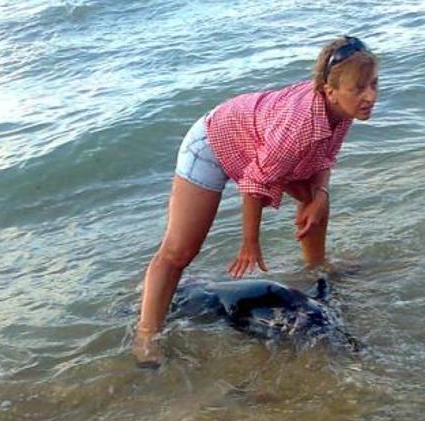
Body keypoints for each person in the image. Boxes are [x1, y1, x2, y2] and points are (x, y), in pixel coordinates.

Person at [133, 36, 378, 367]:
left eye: (374, 84)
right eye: (360, 89)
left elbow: (324, 158)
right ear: (329, 90)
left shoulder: (342, 110)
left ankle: (317, 269)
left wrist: (319, 196)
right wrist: (250, 243)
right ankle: (146, 337)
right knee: (180, 250)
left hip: (257, 144)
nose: (370, 96)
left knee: (315, 204)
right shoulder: (300, 125)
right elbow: (254, 182)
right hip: (212, 145)